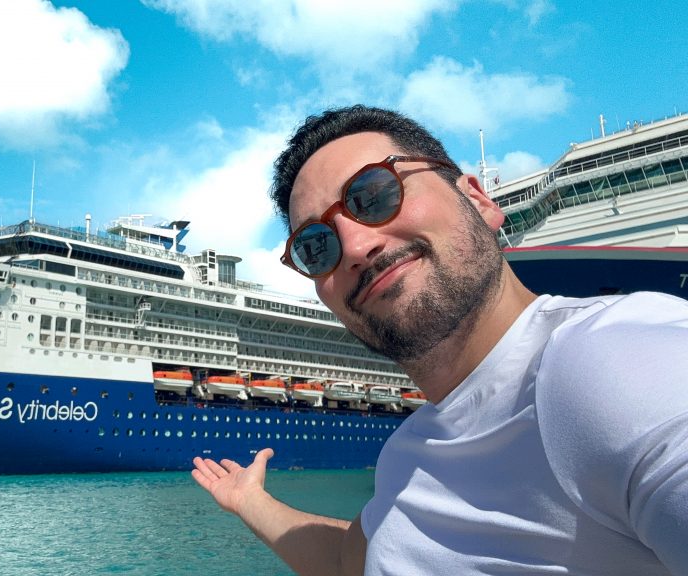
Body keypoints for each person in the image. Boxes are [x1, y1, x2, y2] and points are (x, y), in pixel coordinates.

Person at [191, 105, 688, 575]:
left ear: (478, 200)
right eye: (316, 245)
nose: (356, 247)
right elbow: (351, 562)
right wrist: (250, 501)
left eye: (374, 195)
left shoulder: (613, 360)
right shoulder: (408, 455)